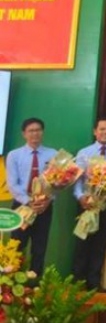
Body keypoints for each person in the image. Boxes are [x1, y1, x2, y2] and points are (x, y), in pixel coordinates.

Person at [72, 118, 106, 290]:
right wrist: (80, 197)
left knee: (100, 244)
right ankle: (78, 280)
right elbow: (77, 179)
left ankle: (94, 282)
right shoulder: (84, 152)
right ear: (95, 131)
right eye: (102, 129)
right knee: (82, 242)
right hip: (86, 204)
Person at [7, 117, 56, 276]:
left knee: (39, 247)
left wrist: (48, 200)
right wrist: (29, 202)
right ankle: (13, 282)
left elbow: (57, 183)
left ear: (42, 132)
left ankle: (34, 282)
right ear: (24, 134)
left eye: (38, 130)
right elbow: (12, 184)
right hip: (21, 206)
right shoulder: (14, 155)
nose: (35, 133)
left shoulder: (53, 154)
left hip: (44, 207)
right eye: (31, 131)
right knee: (17, 245)